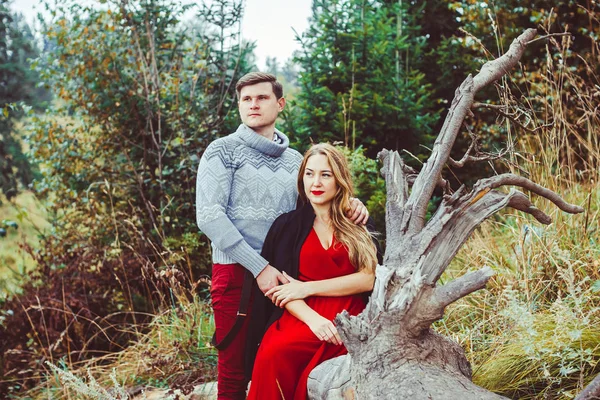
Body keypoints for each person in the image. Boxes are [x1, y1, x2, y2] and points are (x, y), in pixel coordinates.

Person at [195, 72, 369, 400]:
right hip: (238, 275)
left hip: (286, 278)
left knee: (277, 359)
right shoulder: (222, 152)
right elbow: (209, 216)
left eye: (261, 97)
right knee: (234, 371)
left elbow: (315, 203)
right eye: (246, 99)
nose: (253, 105)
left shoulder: (294, 162)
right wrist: (259, 267)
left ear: (280, 103)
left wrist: (351, 204)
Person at [246, 143, 380, 400]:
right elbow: (280, 288)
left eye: (325, 174)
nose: (315, 182)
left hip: (350, 316)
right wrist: (313, 320)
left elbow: (368, 278)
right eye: (309, 174)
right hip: (300, 314)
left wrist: (308, 287)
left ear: (339, 179)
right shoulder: (287, 226)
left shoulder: (356, 221)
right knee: (274, 352)